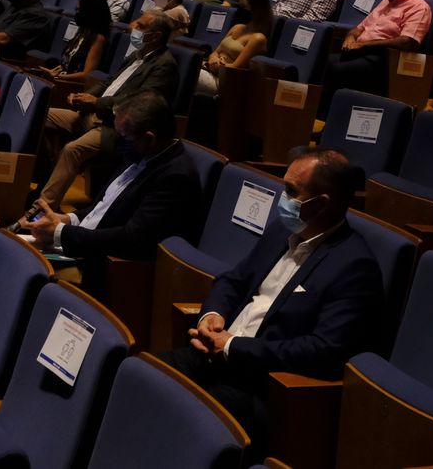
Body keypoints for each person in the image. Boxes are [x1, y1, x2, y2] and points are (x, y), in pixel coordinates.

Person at [159, 148, 382, 457]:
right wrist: (212, 315)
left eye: (291, 191)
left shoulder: (354, 266)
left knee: (189, 424)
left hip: (263, 385)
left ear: (322, 203)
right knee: (146, 375)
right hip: (216, 354)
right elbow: (234, 279)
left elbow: (323, 349)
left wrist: (232, 347)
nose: (283, 198)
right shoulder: (282, 229)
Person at [25, 92, 202, 294]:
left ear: (149, 138)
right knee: (18, 249)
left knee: (26, 272)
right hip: (84, 242)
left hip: (111, 267)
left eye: (124, 137)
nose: (118, 144)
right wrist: (67, 219)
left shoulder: (176, 177)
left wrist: (60, 233)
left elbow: (132, 239)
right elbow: (103, 206)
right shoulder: (140, 152)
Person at [39, 14, 180, 210]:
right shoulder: (136, 55)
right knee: (42, 117)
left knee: (72, 150)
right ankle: (47, 179)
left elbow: (142, 103)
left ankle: (43, 207)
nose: (132, 27)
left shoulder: (165, 65)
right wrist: (83, 97)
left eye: (140, 25)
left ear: (155, 36)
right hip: (95, 115)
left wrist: (97, 102)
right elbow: (108, 82)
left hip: (118, 127)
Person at [324, 0, 431, 101]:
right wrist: (350, 37)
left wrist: (364, 45)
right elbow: (360, 28)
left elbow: (407, 42)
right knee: (322, 61)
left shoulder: (419, 7)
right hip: (359, 52)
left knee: (336, 70)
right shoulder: (386, 1)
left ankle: (332, 114)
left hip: (384, 59)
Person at [198, 0, 273, 95]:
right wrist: (213, 59)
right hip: (210, 69)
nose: (239, 9)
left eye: (243, 6)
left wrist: (217, 66)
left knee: (185, 74)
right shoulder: (237, 27)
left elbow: (235, 68)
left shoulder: (258, 39)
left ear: (256, 10)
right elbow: (215, 52)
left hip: (225, 81)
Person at [32, 0, 110, 85]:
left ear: (90, 13)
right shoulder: (82, 32)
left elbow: (86, 75)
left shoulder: (98, 39)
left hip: (72, 86)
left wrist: (57, 76)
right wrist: (52, 72)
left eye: (79, 10)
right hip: (61, 79)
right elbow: (66, 63)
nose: (76, 13)